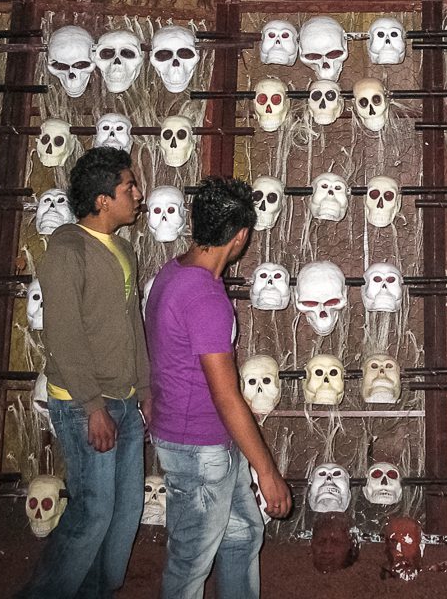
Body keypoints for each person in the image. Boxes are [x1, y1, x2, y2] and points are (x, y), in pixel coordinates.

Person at [145, 176, 291, 599]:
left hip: (198, 441)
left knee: (243, 536)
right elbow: (225, 395)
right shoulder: (206, 299)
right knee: (191, 561)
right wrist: (266, 471)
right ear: (241, 236)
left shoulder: (171, 275)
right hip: (201, 449)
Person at [16, 147, 150, 599]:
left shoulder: (125, 248)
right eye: (128, 187)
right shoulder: (67, 248)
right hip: (83, 402)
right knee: (93, 510)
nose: (138, 194)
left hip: (126, 399)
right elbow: (64, 334)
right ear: (101, 200)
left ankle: (97, 591)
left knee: (125, 508)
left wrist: (145, 388)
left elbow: (134, 322)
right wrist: (93, 406)